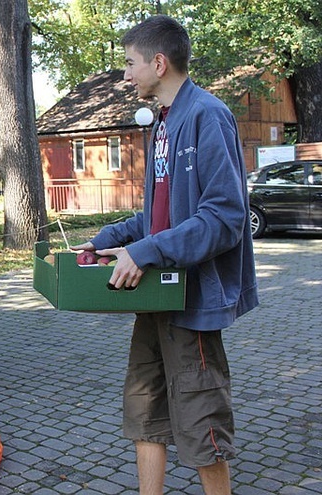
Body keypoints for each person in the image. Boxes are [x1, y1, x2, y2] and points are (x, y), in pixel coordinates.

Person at [72, 15, 259, 495]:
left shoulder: (207, 115)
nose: (126, 75)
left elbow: (224, 218)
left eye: (130, 64)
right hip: (156, 296)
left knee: (202, 422)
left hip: (192, 303)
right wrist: (108, 238)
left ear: (159, 62)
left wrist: (148, 248)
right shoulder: (160, 123)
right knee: (144, 411)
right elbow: (158, 218)